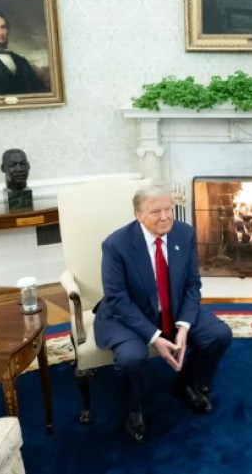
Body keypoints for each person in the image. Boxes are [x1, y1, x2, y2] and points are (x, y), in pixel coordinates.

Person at [93, 184, 233, 444]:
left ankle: (186, 383)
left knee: (219, 334)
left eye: (169, 209)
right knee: (132, 359)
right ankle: (134, 409)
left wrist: (183, 327)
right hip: (129, 316)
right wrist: (154, 336)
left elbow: (192, 284)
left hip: (174, 308)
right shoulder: (116, 245)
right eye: (156, 211)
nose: (166, 216)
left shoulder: (184, 234)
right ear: (139, 215)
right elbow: (117, 300)